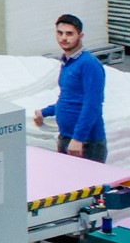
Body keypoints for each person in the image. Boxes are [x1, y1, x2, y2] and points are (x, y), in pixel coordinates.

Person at [33, 14, 108, 160]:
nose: (64, 38)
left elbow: (92, 104)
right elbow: (69, 99)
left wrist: (78, 138)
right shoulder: (67, 62)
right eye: (60, 33)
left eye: (69, 34)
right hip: (66, 137)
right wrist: (44, 112)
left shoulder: (89, 64)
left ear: (80, 35)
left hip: (86, 143)